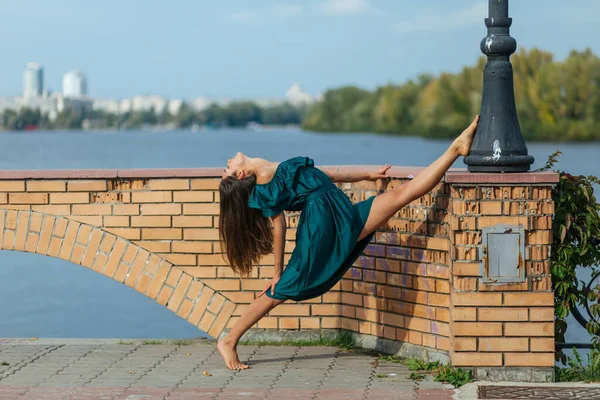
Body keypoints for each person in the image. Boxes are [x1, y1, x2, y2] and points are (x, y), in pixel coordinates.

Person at [217, 116, 479, 370]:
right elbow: (279, 225)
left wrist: (368, 173)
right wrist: (277, 272)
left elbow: (329, 174)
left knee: (403, 193)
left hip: (338, 212)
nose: (226, 163)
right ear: (241, 174)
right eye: (227, 169)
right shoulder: (264, 181)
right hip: (322, 224)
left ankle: (455, 149)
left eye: (225, 166)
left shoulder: (273, 167)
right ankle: (229, 340)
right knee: (281, 288)